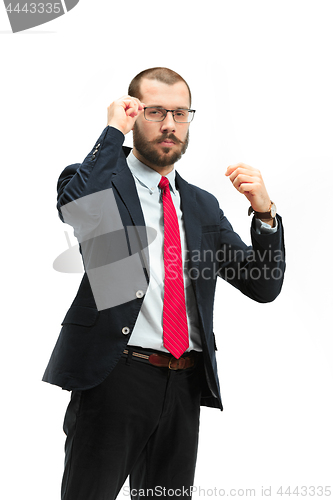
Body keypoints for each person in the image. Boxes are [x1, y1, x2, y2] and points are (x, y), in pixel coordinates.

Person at [43, 67, 285, 500]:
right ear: (134, 115)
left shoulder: (200, 205)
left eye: (179, 113)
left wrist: (264, 214)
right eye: (155, 112)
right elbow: (76, 208)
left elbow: (263, 285)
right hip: (115, 377)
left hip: (183, 384)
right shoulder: (101, 182)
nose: (169, 124)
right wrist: (111, 132)